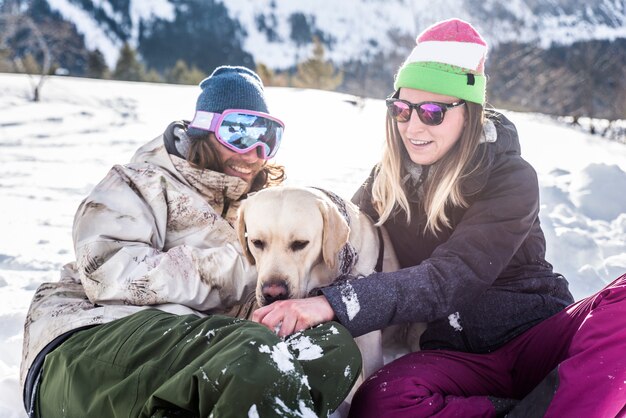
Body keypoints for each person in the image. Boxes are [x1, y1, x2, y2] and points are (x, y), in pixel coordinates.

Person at [252, 19, 626, 417]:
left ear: (470, 113)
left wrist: (333, 304)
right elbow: (350, 237)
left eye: (432, 111)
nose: (413, 127)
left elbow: (452, 276)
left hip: (536, 339)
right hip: (456, 358)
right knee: (381, 402)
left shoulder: (511, 178)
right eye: (401, 109)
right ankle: (553, 406)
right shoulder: (387, 182)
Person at [20, 66, 361, 418]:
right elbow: (107, 271)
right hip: (91, 345)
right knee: (253, 349)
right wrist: (241, 267)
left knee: (334, 347)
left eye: (267, 137)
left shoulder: (265, 208)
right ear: (204, 129)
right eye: (238, 132)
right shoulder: (141, 183)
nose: (253, 152)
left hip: (204, 355)